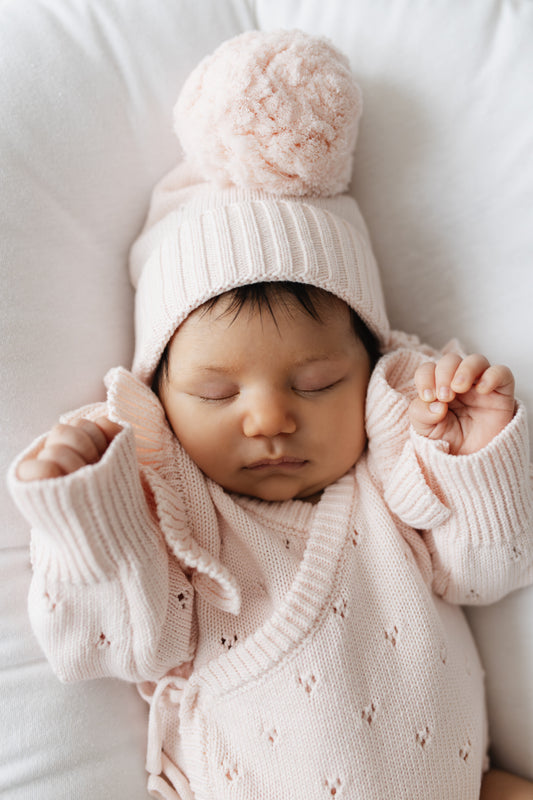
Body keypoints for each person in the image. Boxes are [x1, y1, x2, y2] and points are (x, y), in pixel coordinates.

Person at [8, 29, 533, 800]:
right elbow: (109, 644)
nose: (269, 420)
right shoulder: (188, 524)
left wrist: (474, 456)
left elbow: (490, 571)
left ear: (371, 369)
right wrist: (88, 513)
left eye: (317, 383)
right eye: (217, 395)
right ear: (158, 397)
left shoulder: (392, 493)